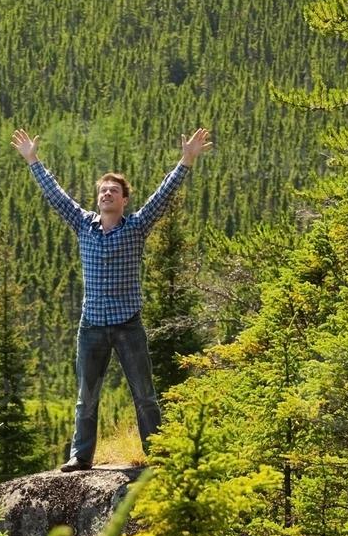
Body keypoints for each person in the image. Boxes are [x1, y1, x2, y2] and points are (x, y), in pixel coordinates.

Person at [11, 126, 212, 471]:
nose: (106, 194)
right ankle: (81, 456)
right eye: (103, 190)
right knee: (86, 398)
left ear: (124, 200)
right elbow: (56, 196)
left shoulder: (136, 227)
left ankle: (158, 454)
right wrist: (33, 160)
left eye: (113, 191)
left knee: (144, 395)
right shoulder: (83, 223)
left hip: (127, 325)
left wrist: (186, 160)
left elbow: (162, 197)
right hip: (91, 327)